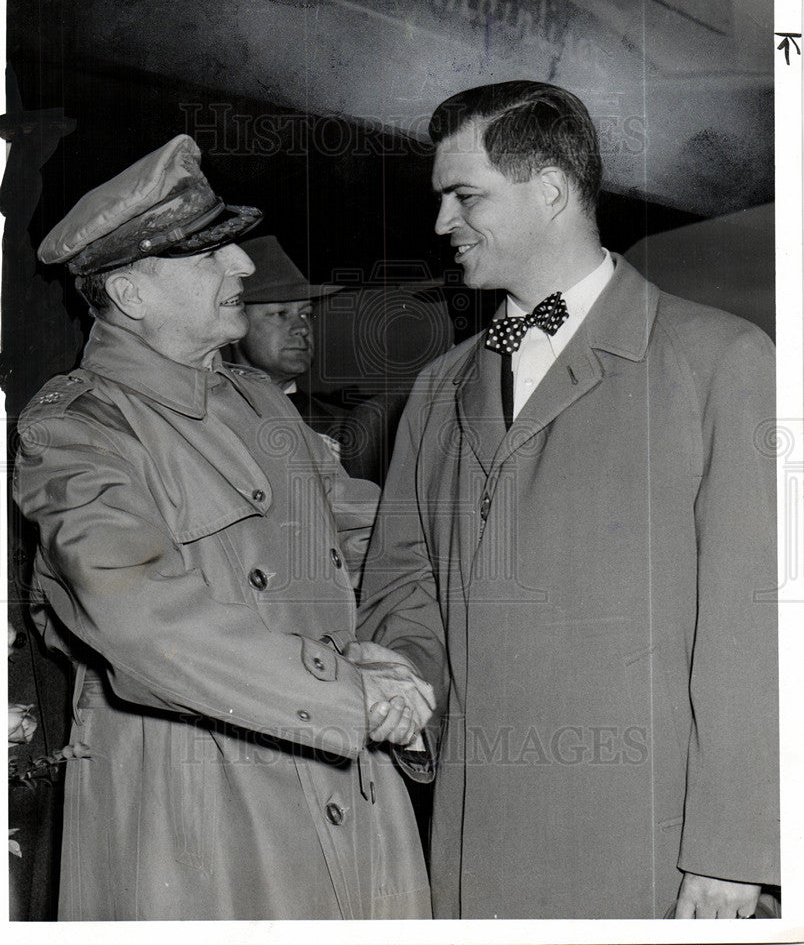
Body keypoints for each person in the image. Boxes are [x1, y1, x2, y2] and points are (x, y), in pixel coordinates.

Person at [355, 81, 779, 919]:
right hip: (474, 853)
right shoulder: (438, 388)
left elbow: (757, 624)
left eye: (463, 195)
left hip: (650, 858)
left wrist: (734, 849)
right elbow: (405, 584)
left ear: (549, 189)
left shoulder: (719, 360)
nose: (441, 223)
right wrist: (405, 680)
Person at [14, 134, 434, 921]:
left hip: (350, 790)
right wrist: (348, 692)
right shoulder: (75, 429)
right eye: (210, 255)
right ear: (131, 292)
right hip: (201, 814)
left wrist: (407, 658)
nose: (243, 266)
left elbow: (382, 535)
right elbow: (141, 620)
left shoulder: (261, 404)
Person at [231, 234, 348, 451]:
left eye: (305, 314)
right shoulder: (208, 419)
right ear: (237, 325)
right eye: (280, 313)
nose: (302, 328)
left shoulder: (343, 427)